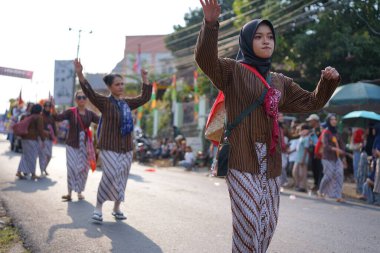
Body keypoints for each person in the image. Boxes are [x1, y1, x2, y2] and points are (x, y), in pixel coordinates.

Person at [195, 1, 340, 251]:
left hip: (271, 161)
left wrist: (327, 82)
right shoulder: (233, 71)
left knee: (267, 223)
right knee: (248, 221)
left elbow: (312, 101)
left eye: (270, 37)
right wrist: (210, 24)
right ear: (247, 41)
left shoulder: (280, 81)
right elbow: (206, 60)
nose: (266, 41)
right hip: (242, 157)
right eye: (259, 37)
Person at [74, 59, 152, 222]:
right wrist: (80, 73)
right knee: (109, 175)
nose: (121, 87)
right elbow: (89, 92)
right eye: (117, 84)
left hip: (126, 148)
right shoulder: (104, 102)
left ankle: (117, 208)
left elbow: (144, 97)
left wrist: (144, 79)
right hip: (109, 147)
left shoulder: (126, 103)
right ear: (110, 87)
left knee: (122, 177)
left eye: (122, 84)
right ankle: (98, 208)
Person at [52, 90, 99, 201]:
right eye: (79, 97)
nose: (81, 99)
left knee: (83, 169)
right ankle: (69, 193)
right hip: (72, 144)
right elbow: (58, 118)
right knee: (71, 168)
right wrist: (53, 109)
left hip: (85, 145)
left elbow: (101, 121)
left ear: (87, 100)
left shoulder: (90, 113)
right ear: (75, 100)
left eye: (84, 97)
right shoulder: (71, 112)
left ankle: (79, 192)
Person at [318, 114, 346, 202]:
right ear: (328, 121)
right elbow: (325, 146)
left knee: (339, 175)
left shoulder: (337, 132)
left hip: (337, 158)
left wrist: (343, 155)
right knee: (328, 176)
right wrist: (335, 149)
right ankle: (320, 191)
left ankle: (338, 196)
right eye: (332, 119)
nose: (334, 121)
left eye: (335, 119)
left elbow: (342, 145)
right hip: (327, 158)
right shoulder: (326, 132)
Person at [16, 104, 48, 180]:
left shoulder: (25, 116)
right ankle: (33, 174)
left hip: (24, 138)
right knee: (33, 157)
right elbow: (40, 130)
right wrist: (43, 140)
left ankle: (19, 172)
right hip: (33, 139)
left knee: (25, 155)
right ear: (40, 110)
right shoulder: (39, 117)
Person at [38, 100, 57, 176]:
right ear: (44, 107)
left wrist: (55, 135)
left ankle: (44, 168)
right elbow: (39, 127)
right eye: (46, 106)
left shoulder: (51, 116)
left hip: (49, 138)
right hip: (42, 137)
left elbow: (54, 126)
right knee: (42, 155)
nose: (48, 107)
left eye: (49, 106)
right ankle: (42, 170)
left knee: (49, 155)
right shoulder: (40, 115)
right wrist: (45, 132)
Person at [306, 113, 323, 191]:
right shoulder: (311, 130)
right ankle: (316, 184)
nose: (309, 122)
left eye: (311, 121)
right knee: (314, 168)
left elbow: (321, 141)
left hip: (319, 151)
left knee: (319, 168)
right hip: (312, 151)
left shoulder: (321, 129)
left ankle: (320, 185)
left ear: (315, 121)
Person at [292, 124, 310, 192]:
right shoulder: (301, 138)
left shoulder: (306, 138)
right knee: (295, 171)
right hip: (298, 156)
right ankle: (298, 184)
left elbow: (306, 149)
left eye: (302, 130)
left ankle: (302, 186)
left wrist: (303, 159)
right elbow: (297, 148)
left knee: (302, 173)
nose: (301, 131)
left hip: (303, 157)